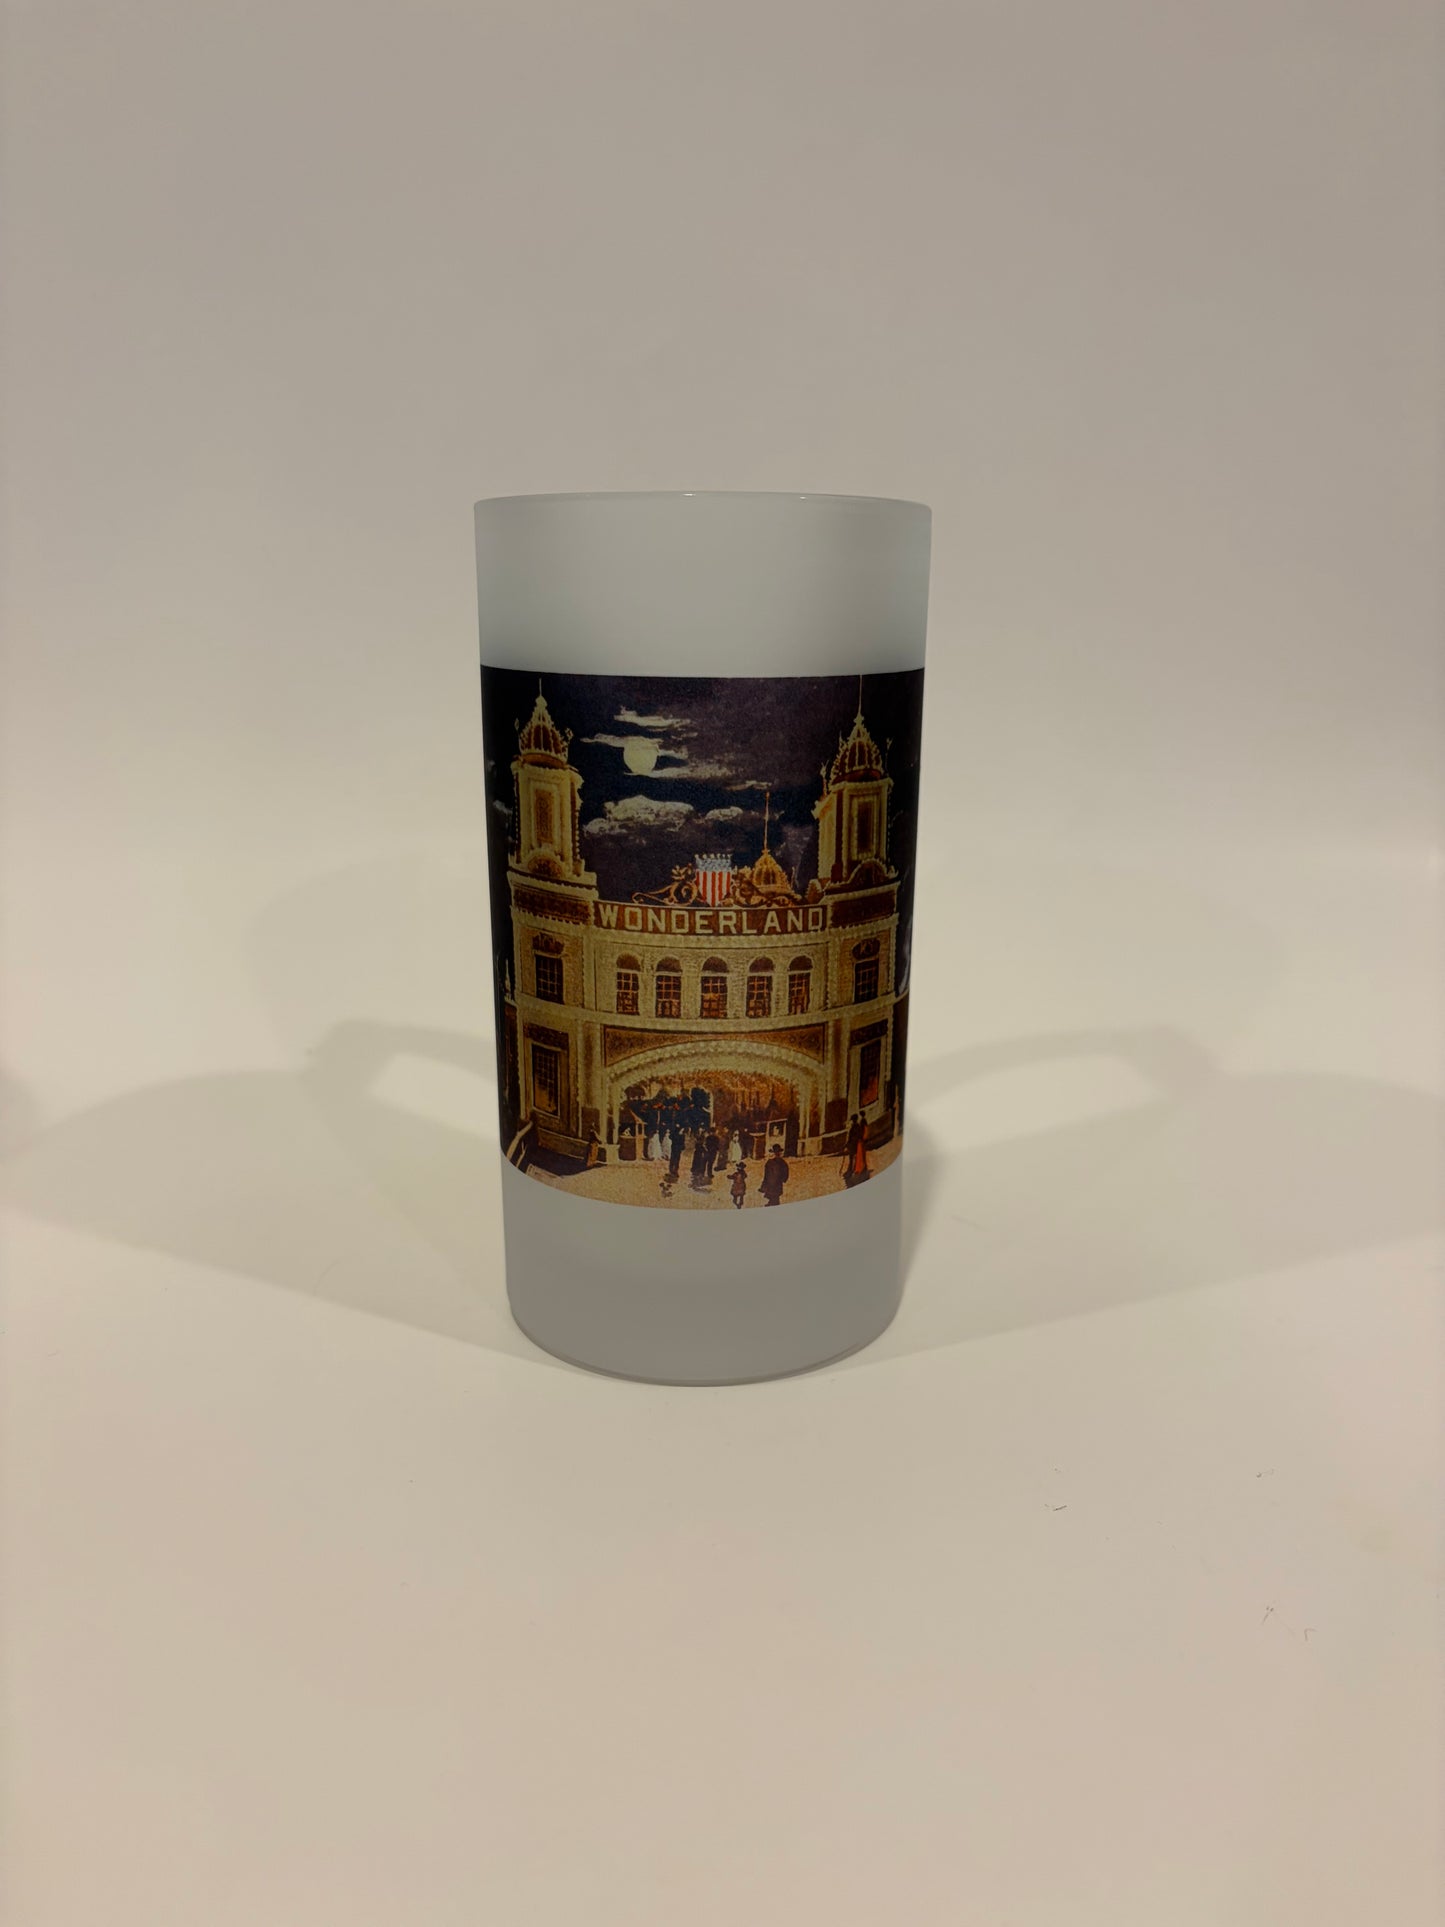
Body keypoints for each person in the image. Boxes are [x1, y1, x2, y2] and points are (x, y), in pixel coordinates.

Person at [842, 1111, 871, 1187]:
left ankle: (854, 1170)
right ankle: (851, 1170)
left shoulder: (857, 1127)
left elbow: (857, 1136)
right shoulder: (855, 1126)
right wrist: (847, 1144)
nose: (853, 1121)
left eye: (853, 1120)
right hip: (852, 1145)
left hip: (854, 1145)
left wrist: (851, 1143)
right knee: (851, 1158)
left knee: (855, 1158)